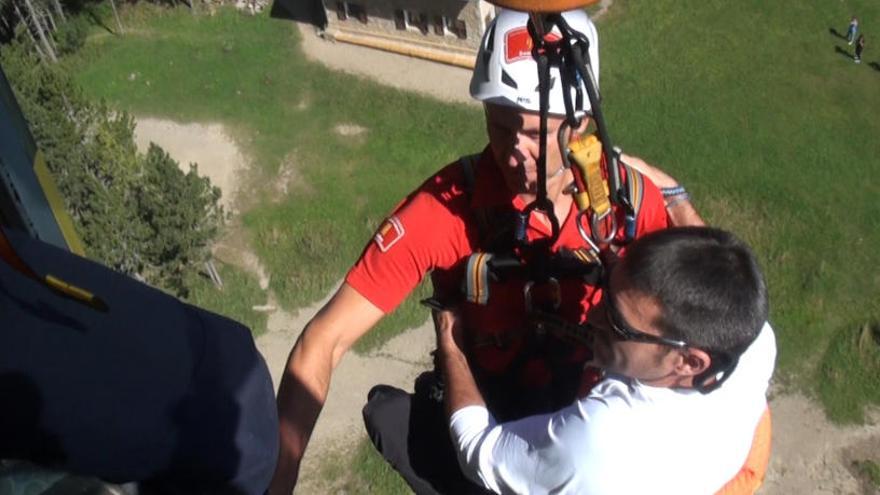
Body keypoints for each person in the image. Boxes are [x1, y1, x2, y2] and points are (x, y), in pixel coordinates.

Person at [269, 9, 701, 494]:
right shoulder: (448, 208)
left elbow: (713, 309)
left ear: (581, 127)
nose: (512, 152)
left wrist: (677, 200)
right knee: (388, 415)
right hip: (484, 409)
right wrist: (280, 478)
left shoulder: (625, 204)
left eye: (534, 134)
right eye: (498, 127)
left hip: (585, 431)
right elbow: (321, 342)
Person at [437, 226, 776, 494]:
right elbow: (714, 264)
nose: (593, 315)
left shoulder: (603, 437)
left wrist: (454, 348)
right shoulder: (755, 341)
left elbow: (478, 451)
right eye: (607, 295)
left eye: (617, 322)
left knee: (388, 416)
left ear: (689, 362)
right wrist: (673, 194)